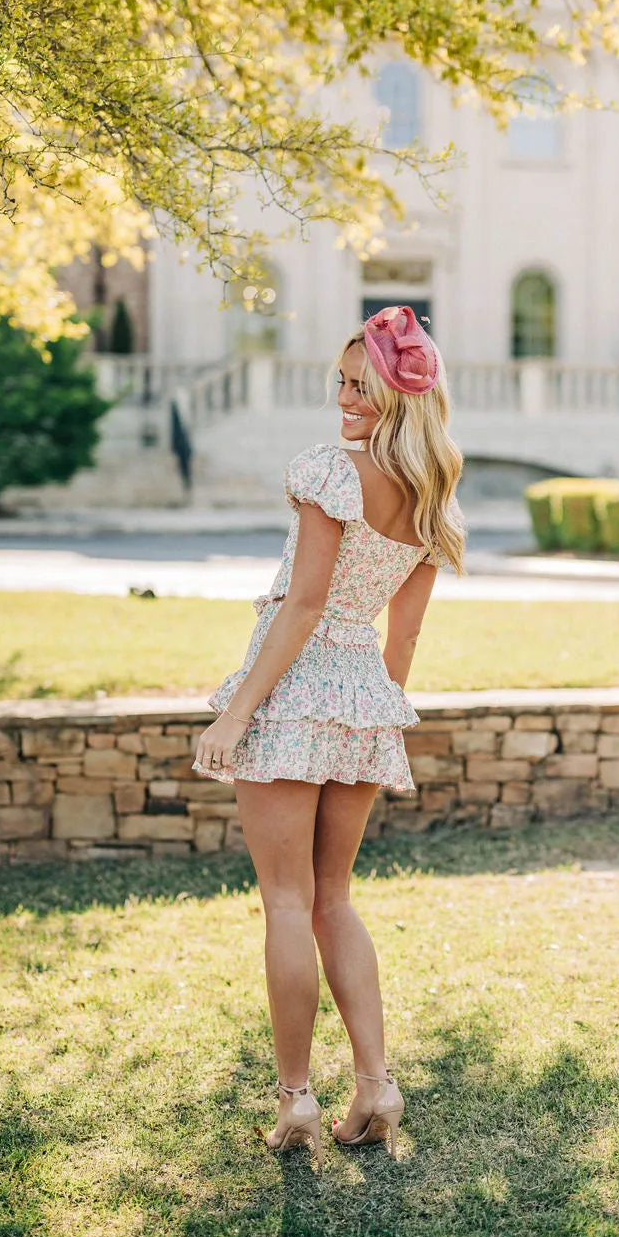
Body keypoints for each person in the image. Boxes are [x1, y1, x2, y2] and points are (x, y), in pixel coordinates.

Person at [194, 304, 465, 1170]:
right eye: (341, 383)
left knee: (285, 902)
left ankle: (297, 1101)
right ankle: (377, 1084)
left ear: (399, 395)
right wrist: (374, 708)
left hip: (296, 687)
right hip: (364, 695)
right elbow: (405, 640)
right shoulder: (431, 498)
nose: (345, 399)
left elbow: (305, 604)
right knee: (332, 899)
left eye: (363, 386)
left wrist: (238, 711)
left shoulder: (330, 471)